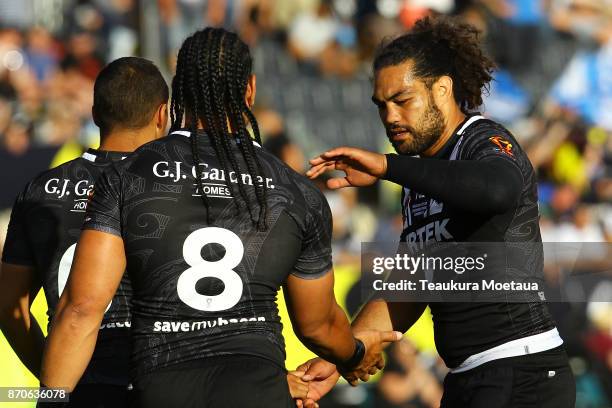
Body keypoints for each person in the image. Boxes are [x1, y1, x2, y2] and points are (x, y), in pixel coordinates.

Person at [39, 27, 401, 408]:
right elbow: (318, 325)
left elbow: (81, 310)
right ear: (250, 90)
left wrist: (49, 400)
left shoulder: (128, 176)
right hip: (259, 390)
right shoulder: (295, 190)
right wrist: (356, 356)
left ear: (177, 92)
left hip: (163, 389)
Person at [300, 16, 576, 408]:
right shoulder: (421, 180)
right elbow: (410, 285)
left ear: (442, 90)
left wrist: (386, 166)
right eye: (382, 105)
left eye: (402, 100)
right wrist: (343, 354)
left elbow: (498, 190)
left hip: (522, 371)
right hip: (468, 380)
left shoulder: (483, 139)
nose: (391, 117)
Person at [0, 56, 169, 407]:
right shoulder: (174, 189)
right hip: (161, 376)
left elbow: (8, 305)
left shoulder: (40, 189)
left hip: (81, 384)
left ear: (95, 114)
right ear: (162, 115)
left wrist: (56, 377)